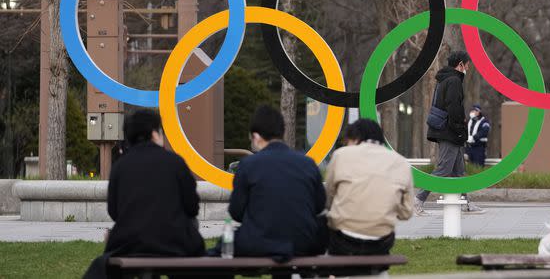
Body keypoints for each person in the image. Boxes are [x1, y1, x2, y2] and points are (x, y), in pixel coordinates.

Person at [84, 110, 205, 279]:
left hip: (130, 244)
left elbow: (114, 212)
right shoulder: (175, 162)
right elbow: (192, 207)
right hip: (174, 242)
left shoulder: (120, 167)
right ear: (155, 134)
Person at [224, 105, 327, 259]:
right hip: (304, 242)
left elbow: (236, 212)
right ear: (282, 132)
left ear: (256, 137)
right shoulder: (307, 164)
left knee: (224, 245)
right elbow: (319, 205)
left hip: (259, 243)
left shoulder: (248, 165)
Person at [325, 119, 413, 256]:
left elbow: (328, 197)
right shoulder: (401, 163)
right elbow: (406, 213)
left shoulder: (341, 155)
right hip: (381, 241)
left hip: (342, 239)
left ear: (355, 138)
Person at [414, 50, 484, 215]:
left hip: (450, 131)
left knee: (459, 171)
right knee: (444, 169)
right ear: (460, 64)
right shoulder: (453, 81)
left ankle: (466, 203)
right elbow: (453, 107)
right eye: (467, 64)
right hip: (449, 132)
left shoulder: (446, 79)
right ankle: (418, 200)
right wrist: (460, 128)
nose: (468, 67)